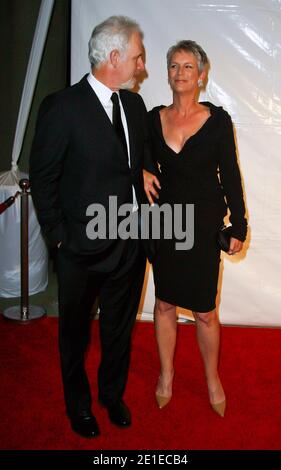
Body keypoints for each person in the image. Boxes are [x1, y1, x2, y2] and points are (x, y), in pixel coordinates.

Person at [29, 16, 150, 438]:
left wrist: (143, 177)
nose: (142, 66)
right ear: (114, 56)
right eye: (137, 56)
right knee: (75, 335)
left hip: (131, 245)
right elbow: (42, 179)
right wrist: (60, 237)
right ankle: (78, 406)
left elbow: (129, 165)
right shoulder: (62, 107)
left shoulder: (133, 106)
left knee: (119, 329)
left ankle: (111, 395)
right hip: (81, 246)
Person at [143, 40, 247, 417]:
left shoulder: (218, 121)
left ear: (201, 75)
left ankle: (212, 378)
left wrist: (239, 224)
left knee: (205, 310)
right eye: (174, 66)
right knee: (165, 301)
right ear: (167, 72)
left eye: (188, 67)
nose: (180, 73)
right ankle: (166, 374)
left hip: (203, 225)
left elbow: (231, 174)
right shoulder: (153, 120)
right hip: (166, 223)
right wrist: (141, 169)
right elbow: (135, 157)